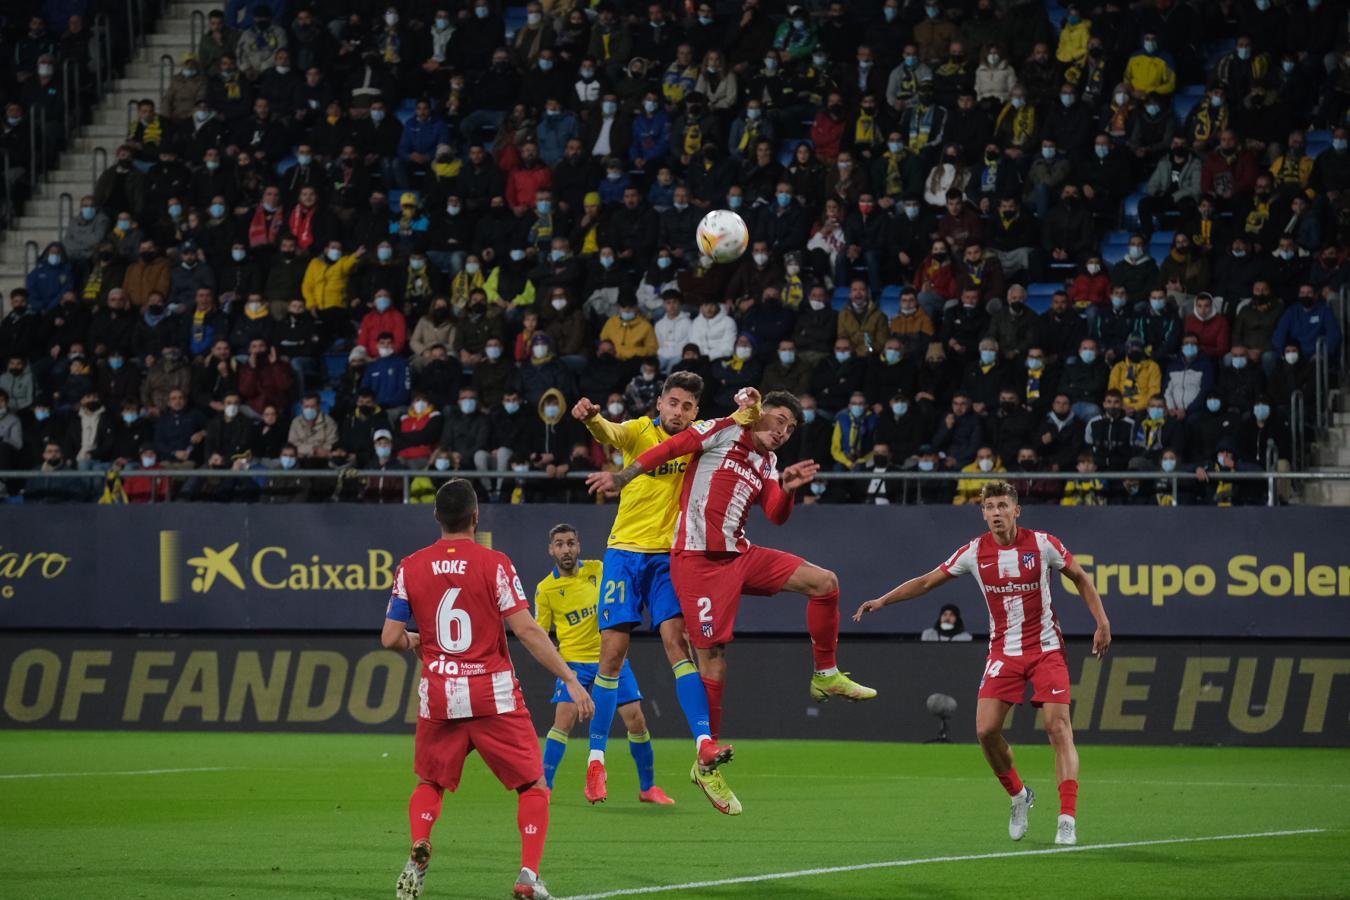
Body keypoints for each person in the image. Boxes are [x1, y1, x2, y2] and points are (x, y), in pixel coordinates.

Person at [587, 389, 877, 812]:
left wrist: (790, 489)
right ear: (757, 414)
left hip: (740, 553)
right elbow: (671, 447)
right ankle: (707, 763)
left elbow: (775, 513)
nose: (782, 432)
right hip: (697, 561)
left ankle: (826, 673)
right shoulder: (722, 430)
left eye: (790, 428)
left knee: (825, 582)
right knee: (713, 657)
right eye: (777, 420)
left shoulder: (768, 462)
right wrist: (622, 477)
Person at [854, 480, 1110, 847]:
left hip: (1046, 649)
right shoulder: (974, 552)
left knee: (1058, 727)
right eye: (989, 507)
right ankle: (1019, 796)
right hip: (1003, 652)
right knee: (986, 731)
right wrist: (883, 600)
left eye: (1002, 506)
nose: (995, 513)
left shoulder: (1042, 545)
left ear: (1016, 511)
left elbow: (1081, 579)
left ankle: (1067, 818)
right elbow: (927, 582)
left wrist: (1101, 622)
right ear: (983, 513)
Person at [383, 479, 594, 900]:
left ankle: (420, 845)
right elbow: (528, 631)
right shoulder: (493, 562)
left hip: (440, 694)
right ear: (476, 517)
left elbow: (391, 638)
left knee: (430, 782)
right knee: (533, 786)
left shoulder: (410, 565)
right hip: (491, 693)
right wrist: (570, 678)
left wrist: (414, 642)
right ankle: (528, 877)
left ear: (437, 516)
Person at [568, 372, 743, 813]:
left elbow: (741, 424)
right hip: (624, 554)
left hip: (670, 557)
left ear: (695, 413)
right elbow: (608, 431)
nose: (679, 412)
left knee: (676, 642)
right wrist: (590, 418)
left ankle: (704, 742)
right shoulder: (638, 432)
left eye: (687, 407)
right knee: (611, 655)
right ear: (660, 403)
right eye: (673, 403)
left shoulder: (699, 441)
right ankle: (595, 760)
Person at [534, 524, 674, 805]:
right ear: (551, 550)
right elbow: (540, 634)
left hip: (611, 661)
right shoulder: (546, 589)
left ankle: (648, 788)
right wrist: (561, 668)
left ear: (579, 546)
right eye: (559, 544)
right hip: (573, 664)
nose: (566, 549)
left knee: (637, 720)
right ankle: (544, 788)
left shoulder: (599, 570)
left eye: (571, 543)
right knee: (564, 720)